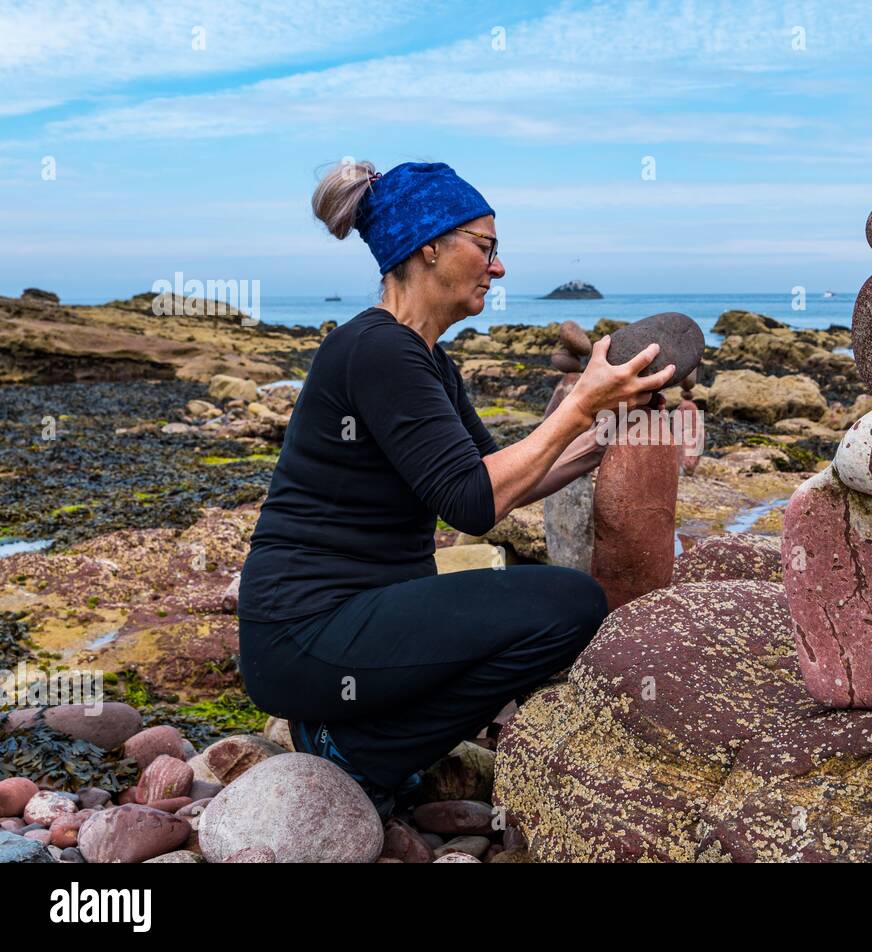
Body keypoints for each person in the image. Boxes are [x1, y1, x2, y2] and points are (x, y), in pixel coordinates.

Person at [237, 160, 673, 817]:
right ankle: (359, 753)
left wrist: (599, 438)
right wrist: (579, 403)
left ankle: (349, 732)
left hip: (345, 626)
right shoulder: (376, 350)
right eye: (487, 247)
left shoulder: (427, 361)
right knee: (569, 604)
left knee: (527, 607)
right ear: (430, 246)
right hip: (305, 633)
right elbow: (474, 501)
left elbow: (499, 480)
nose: (498, 269)